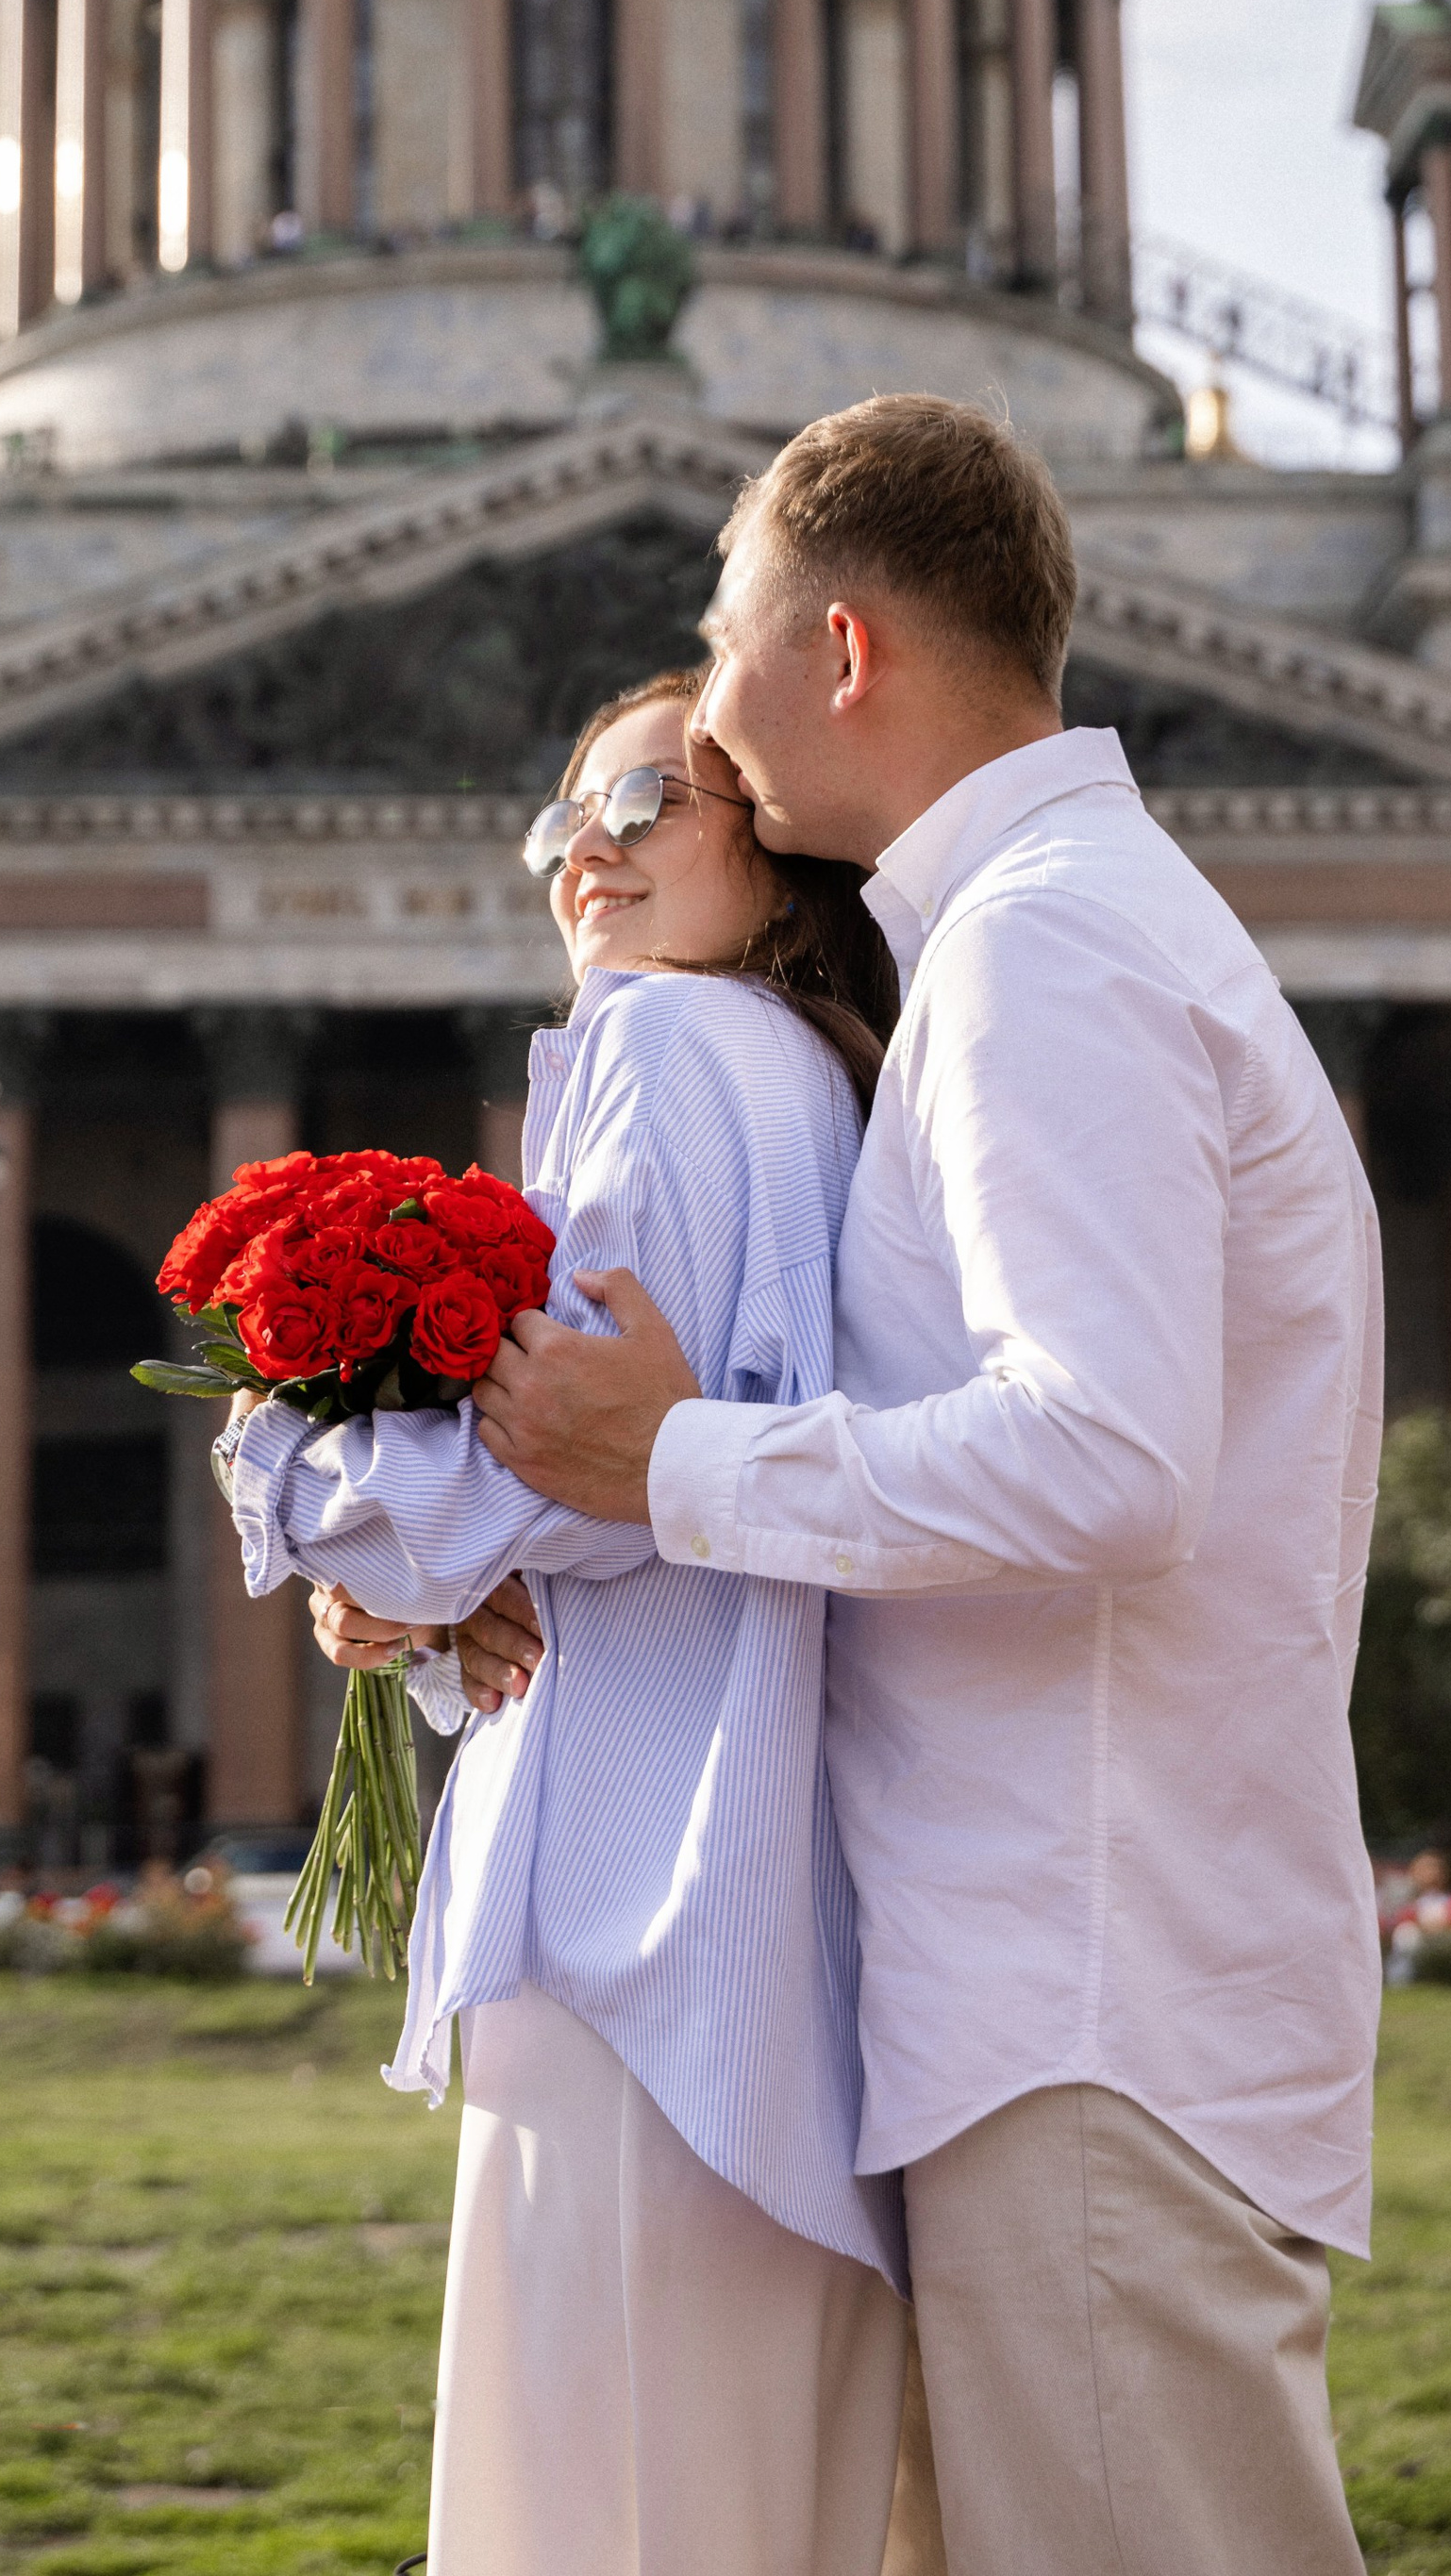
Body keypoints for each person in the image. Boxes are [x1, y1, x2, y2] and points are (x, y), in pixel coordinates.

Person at [457, 394, 1386, 2576]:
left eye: (726, 640)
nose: (710, 711)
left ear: (841, 647)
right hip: (1018, 1990)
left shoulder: (1046, 944)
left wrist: (667, 1456)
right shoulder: (1041, 925)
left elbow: (1105, 1455)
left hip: (1079, 1994)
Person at [219, 669, 913, 2576]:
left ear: (776, 843)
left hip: (636, 1924)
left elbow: (561, 1448)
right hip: (774, 1940)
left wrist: (292, 1458)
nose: (585, 849)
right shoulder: (816, 1076)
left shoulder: (666, 1039)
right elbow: (660, 1482)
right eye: (562, 817)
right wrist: (447, 1605)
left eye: (644, 799)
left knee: (590, 2511)